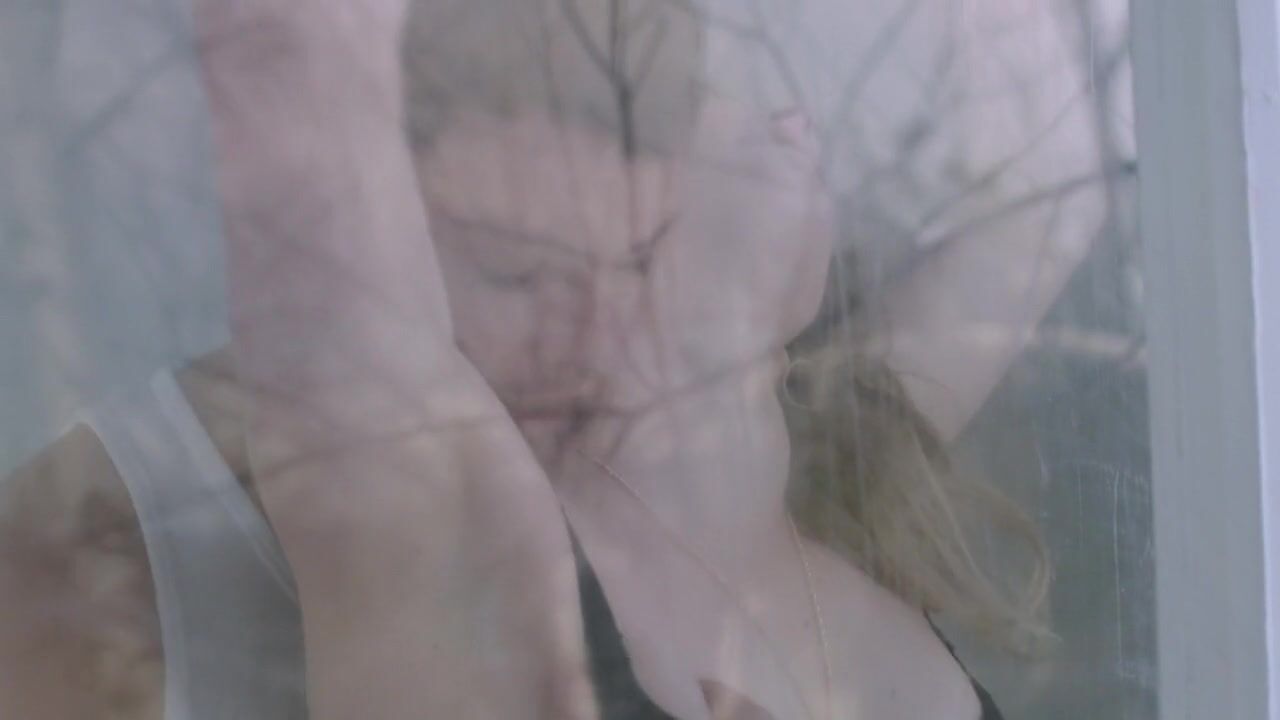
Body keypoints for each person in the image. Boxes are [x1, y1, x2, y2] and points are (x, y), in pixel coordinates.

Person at [0, 0, 1108, 718]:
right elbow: (299, 79)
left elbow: (1049, 189)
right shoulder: (488, 561)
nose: (789, 121)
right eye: (677, 109)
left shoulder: (836, 462)